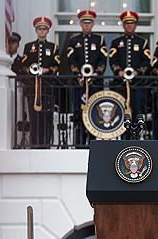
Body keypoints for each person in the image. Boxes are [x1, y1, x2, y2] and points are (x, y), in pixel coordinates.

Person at [66, 9, 107, 146]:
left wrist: (97, 73)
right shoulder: (73, 41)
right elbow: (70, 60)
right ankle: (79, 143)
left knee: (94, 112)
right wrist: (78, 74)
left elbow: (102, 60)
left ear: (93, 24)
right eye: (84, 23)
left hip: (95, 84)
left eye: (89, 23)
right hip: (79, 83)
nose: (87, 26)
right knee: (78, 112)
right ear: (80, 24)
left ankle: (93, 142)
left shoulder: (99, 40)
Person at [21, 17, 60, 148]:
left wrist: (47, 70)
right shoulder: (28, 46)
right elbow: (24, 65)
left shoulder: (53, 47)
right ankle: (34, 143)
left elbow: (57, 65)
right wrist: (31, 70)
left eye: (44, 29)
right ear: (36, 30)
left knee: (47, 118)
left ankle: (46, 143)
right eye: (39, 29)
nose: (42, 31)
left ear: (48, 31)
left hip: (47, 88)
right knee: (34, 117)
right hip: (33, 88)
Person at [109, 10, 151, 121]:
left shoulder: (143, 42)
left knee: (137, 111)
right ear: (123, 25)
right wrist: (118, 71)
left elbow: (147, 61)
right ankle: (123, 137)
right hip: (120, 84)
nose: (129, 26)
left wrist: (137, 72)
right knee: (121, 111)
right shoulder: (116, 42)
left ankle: (135, 137)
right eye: (127, 23)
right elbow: (112, 60)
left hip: (137, 84)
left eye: (131, 23)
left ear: (135, 25)